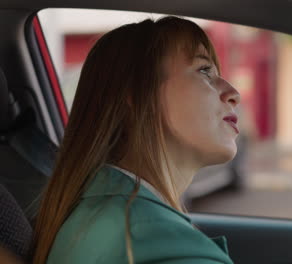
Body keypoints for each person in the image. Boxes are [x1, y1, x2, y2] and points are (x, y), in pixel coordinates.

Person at [32, 16, 240, 264]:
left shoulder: (94, 209)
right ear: (137, 94)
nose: (233, 94)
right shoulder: (156, 241)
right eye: (204, 71)